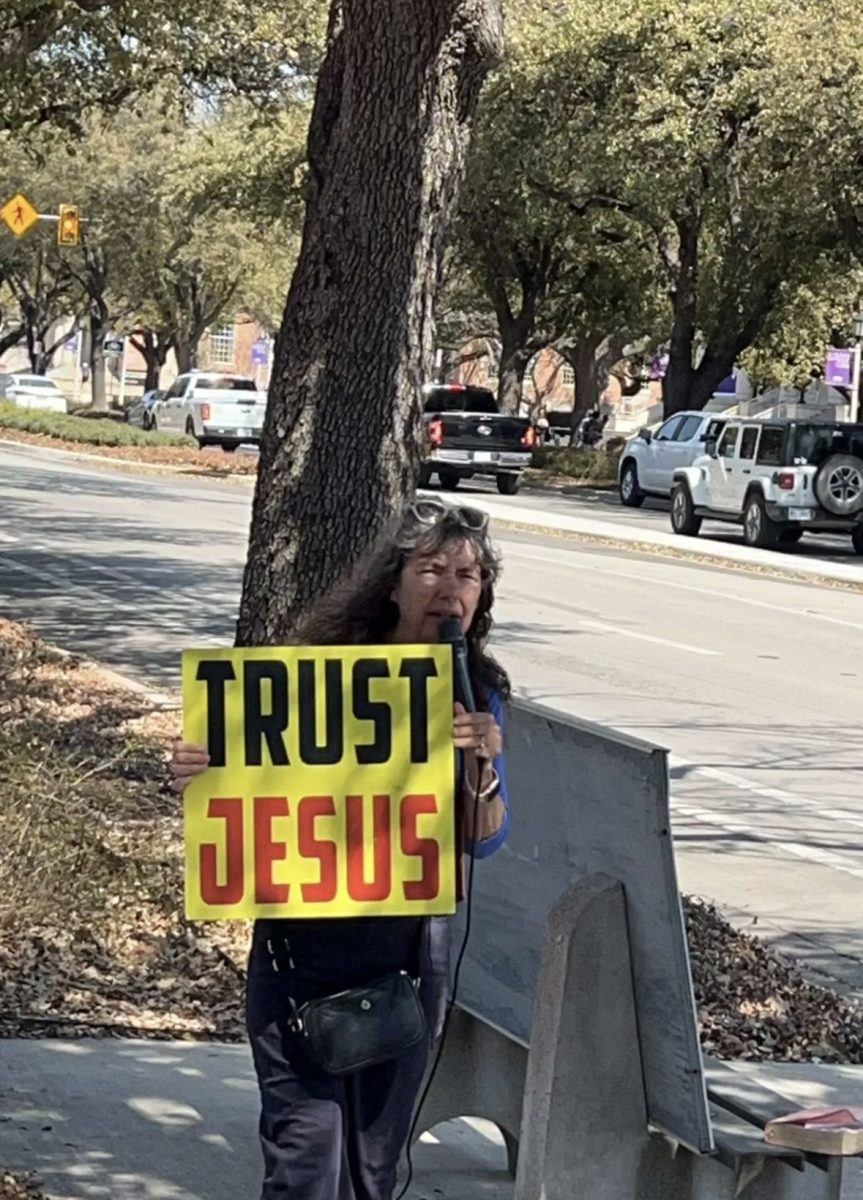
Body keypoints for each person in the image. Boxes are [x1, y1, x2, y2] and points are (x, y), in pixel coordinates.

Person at [170, 497, 511, 1200]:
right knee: (304, 1159)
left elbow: (488, 837)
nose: (451, 588)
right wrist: (201, 769)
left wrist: (481, 763)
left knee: (371, 1170)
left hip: (407, 964)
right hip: (301, 958)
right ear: (391, 582)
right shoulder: (318, 675)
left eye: (468, 575)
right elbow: (248, 790)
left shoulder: (477, 692)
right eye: (432, 568)